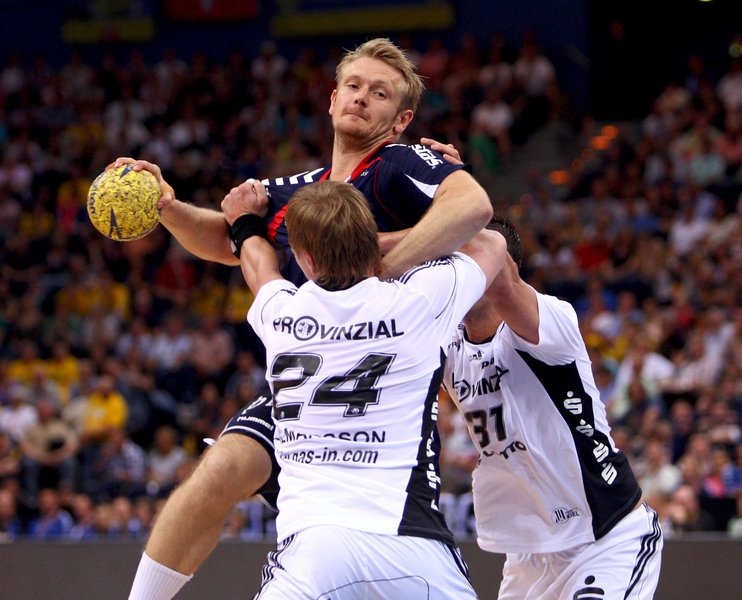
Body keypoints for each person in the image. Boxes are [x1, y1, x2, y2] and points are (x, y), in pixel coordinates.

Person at [123, 37, 492, 598]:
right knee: (219, 470)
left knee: (376, 525)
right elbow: (229, 241)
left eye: (380, 93)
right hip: (305, 387)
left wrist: (380, 264)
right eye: (353, 86)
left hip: (381, 382)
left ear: (402, 119)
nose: (362, 97)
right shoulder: (304, 192)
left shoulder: (398, 164)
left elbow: (473, 209)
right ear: (332, 99)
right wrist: (166, 207)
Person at [236, 179, 504, 597]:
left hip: (314, 549)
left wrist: (243, 223)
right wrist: (388, 245)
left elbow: (259, 267)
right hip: (414, 544)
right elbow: (488, 242)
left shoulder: (281, 313)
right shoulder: (418, 300)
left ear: (306, 260)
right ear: (369, 241)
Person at [442, 217, 663, 599]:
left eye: (465, 257)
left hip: (605, 537)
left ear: (504, 264)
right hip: (530, 554)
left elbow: (506, 287)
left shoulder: (551, 319)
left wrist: (450, 198)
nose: (453, 271)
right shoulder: (447, 344)